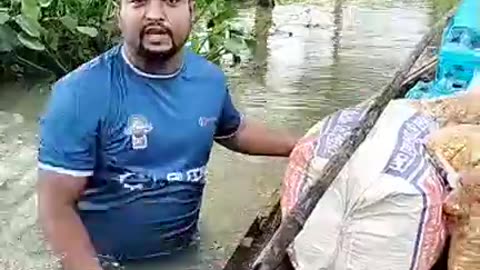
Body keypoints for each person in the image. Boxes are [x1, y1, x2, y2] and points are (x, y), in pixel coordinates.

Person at [36, 0, 299, 269]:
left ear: (191, 11)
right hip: (105, 261)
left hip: (186, 252)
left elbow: (235, 130)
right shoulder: (79, 94)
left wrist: (303, 146)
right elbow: (56, 209)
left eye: (171, 1)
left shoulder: (209, 81)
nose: (154, 14)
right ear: (119, 14)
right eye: (138, 2)